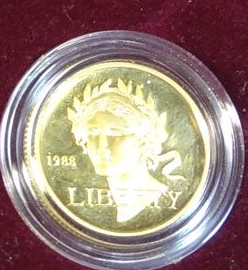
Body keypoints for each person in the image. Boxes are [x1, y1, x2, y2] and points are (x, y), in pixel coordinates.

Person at [67, 78, 181, 222]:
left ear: (144, 138)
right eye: (93, 133)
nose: (102, 146)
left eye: (116, 133)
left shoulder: (159, 198)